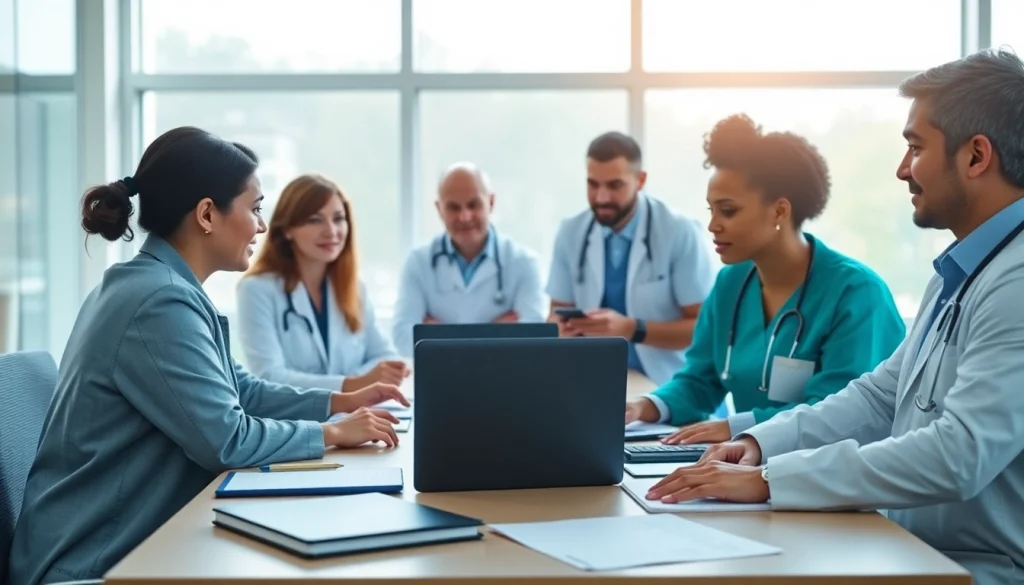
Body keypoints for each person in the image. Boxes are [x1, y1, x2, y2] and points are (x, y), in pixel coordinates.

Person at [644, 49, 1024, 585]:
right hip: (909, 545)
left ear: (976, 156)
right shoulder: (961, 269)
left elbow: (958, 454)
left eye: (915, 147)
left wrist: (772, 478)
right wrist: (758, 446)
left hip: (978, 569)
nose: (902, 169)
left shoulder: (1016, 280)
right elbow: (878, 395)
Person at [7, 127, 406, 585]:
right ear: (206, 215)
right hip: (88, 564)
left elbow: (243, 391)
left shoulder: (159, 287)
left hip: (114, 545)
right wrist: (332, 432)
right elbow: (227, 440)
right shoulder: (158, 303)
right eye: (255, 209)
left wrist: (342, 403)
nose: (261, 225)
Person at [624, 114, 906, 442]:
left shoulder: (857, 294)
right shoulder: (731, 284)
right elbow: (701, 379)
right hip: (749, 467)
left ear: (779, 211)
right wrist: (645, 406)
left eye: (728, 211)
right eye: (710, 211)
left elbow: (840, 414)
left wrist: (733, 428)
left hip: (839, 477)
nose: (713, 225)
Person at [547, 131, 719, 386]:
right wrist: (560, 328)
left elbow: (703, 330)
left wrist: (630, 329)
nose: (601, 198)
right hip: (594, 380)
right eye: (593, 184)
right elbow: (555, 314)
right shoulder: (571, 232)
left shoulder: (678, 231)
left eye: (614, 185)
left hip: (669, 382)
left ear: (640, 180)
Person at [236, 173, 409, 392]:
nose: (331, 231)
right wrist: (355, 384)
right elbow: (268, 376)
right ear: (287, 229)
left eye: (338, 218)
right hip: (294, 422)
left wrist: (364, 380)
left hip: (354, 417)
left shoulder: (353, 288)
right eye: (315, 220)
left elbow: (385, 358)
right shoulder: (257, 290)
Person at [391, 161, 546, 357]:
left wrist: (438, 336)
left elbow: (534, 337)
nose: (464, 216)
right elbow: (403, 336)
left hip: (504, 378)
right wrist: (496, 332)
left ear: (491, 203)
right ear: (439, 209)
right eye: (453, 208)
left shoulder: (524, 263)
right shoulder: (418, 263)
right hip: (442, 379)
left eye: (474, 205)